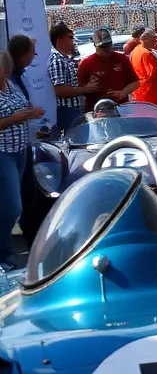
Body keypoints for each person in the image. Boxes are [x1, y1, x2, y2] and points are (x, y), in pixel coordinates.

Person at [0, 51, 43, 270]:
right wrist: (12, 120)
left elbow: (21, 107)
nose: (7, 68)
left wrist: (32, 112)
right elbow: (9, 118)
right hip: (3, 152)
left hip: (20, 150)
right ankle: (4, 257)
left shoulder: (10, 85)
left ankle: (5, 255)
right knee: (11, 207)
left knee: (12, 206)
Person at [47, 22, 97, 134]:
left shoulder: (66, 59)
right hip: (67, 111)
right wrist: (85, 89)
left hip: (74, 110)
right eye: (70, 38)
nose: (73, 41)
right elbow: (59, 90)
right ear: (60, 40)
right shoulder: (57, 60)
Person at [76, 29, 140, 113]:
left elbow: (135, 82)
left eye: (109, 45)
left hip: (120, 108)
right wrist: (87, 88)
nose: (106, 49)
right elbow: (79, 90)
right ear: (95, 46)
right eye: (102, 47)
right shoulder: (86, 63)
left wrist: (123, 92)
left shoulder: (122, 59)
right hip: (96, 109)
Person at [131, 29, 157, 109]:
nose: (156, 41)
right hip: (151, 94)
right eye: (154, 38)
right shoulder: (146, 53)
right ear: (146, 39)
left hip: (140, 92)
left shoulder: (135, 51)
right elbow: (153, 73)